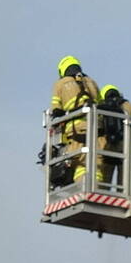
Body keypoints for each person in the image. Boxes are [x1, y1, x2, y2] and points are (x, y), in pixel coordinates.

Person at [50, 56, 101, 184]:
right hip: (96, 130)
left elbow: (56, 110)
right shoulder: (92, 82)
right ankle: (99, 188)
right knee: (96, 163)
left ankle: (80, 188)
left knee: (79, 164)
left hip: (75, 131)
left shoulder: (60, 84)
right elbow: (100, 104)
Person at [97, 84, 131, 187]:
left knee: (104, 181)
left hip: (108, 148)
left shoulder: (102, 107)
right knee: (124, 182)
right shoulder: (128, 105)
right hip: (125, 147)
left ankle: (103, 197)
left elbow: (99, 128)